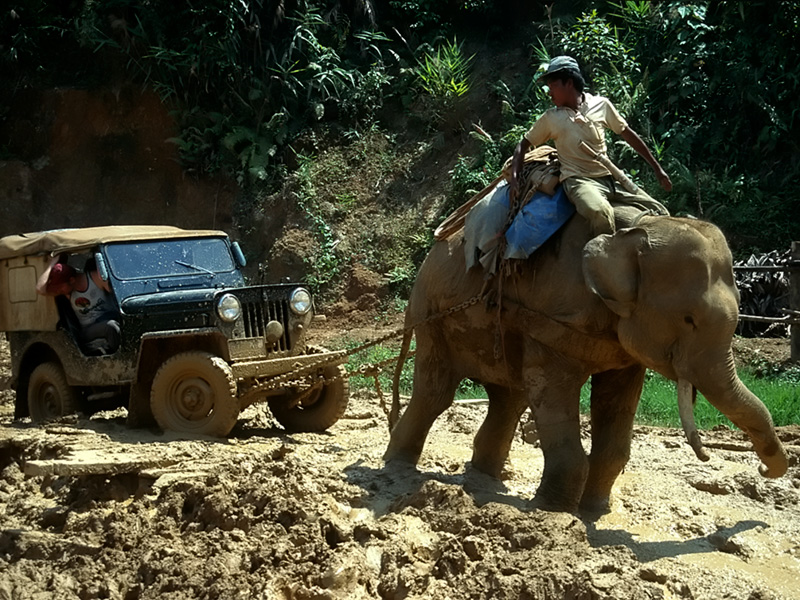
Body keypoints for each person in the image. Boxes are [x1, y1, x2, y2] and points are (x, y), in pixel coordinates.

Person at [509, 55, 672, 236]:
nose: (549, 92)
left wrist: (657, 169)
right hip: (579, 180)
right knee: (600, 213)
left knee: (660, 210)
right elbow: (522, 145)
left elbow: (628, 135)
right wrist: (515, 179)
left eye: (553, 85)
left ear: (569, 83)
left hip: (611, 178)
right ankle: (606, 251)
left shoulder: (601, 105)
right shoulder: (551, 118)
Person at [36, 255, 121, 354]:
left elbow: (117, 293)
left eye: (60, 287)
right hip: (89, 328)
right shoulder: (68, 293)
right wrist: (51, 264)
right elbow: (40, 289)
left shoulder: (96, 279)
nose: (58, 290)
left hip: (111, 316)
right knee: (111, 326)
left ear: (71, 280)